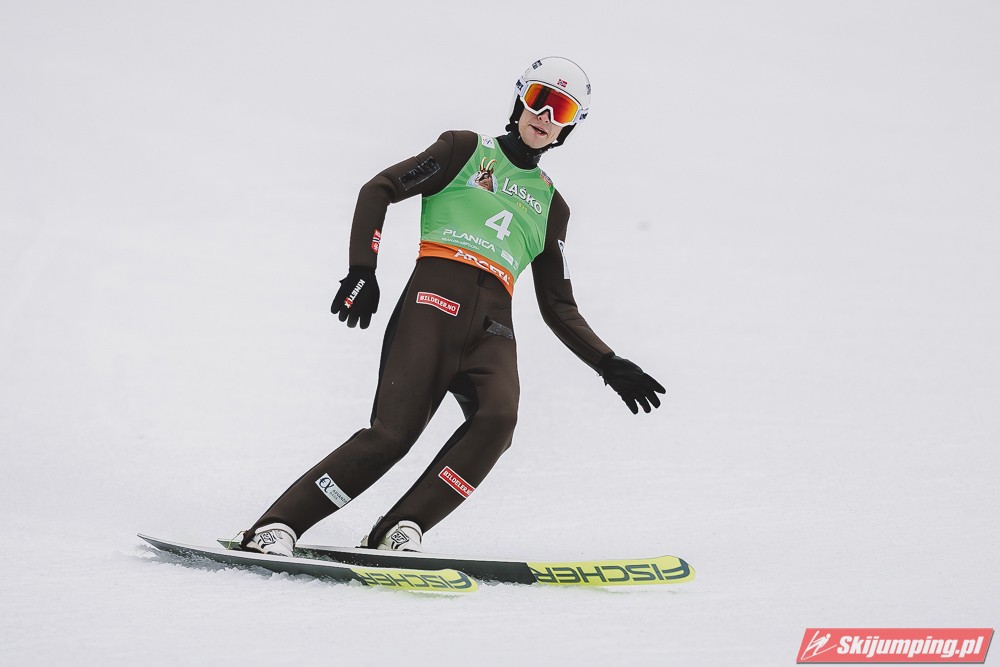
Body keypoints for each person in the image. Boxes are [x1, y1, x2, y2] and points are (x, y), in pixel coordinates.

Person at [239, 57, 665, 556]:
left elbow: (558, 304)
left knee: (498, 420)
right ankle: (276, 526)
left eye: (562, 109)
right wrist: (363, 269)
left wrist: (607, 362)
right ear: (519, 101)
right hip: (432, 307)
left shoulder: (553, 206)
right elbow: (379, 189)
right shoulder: (465, 150)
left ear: (570, 127)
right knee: (391, 437)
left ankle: (400, 528)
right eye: (538, 99)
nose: (545, 116)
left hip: (493, 331)